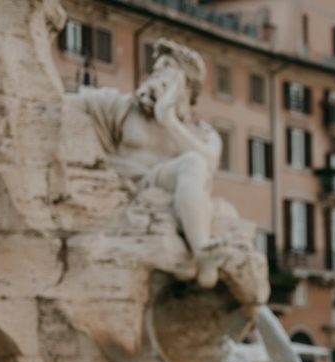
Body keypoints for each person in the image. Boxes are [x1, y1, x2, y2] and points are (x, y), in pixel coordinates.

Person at [71, 39, 226, 288]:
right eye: (156, 67)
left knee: (194, 162)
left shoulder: (203, 133)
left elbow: (209, 164)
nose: (155, 71)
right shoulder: (122, 107)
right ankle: (202, 253)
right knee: (192, 162)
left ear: (186, 82)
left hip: (160, 183)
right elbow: (64, 102)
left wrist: (168, 120)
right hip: (121, 184)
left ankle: (202, 253)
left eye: (167, 66)